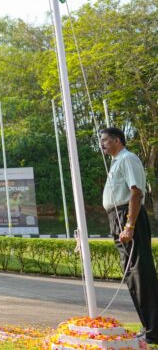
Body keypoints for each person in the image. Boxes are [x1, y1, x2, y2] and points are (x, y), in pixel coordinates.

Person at [100, 127, 158, 345]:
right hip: (117, 216)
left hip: (128, 216)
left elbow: (136, 192)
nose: (102, 144)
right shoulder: (116, 162)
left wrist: (129, 225)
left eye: (105, 140)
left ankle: (154, 330)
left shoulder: (127, 159)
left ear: (116, 140)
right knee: (131, 276)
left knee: (141, 274)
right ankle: (147, 327)